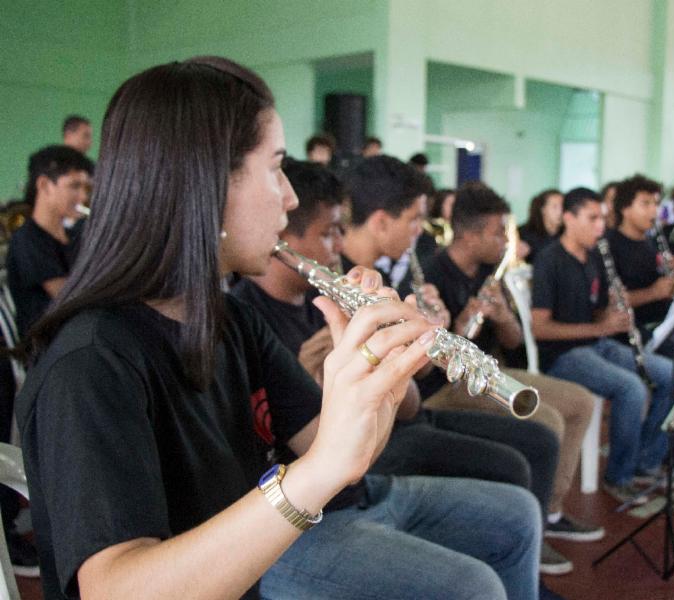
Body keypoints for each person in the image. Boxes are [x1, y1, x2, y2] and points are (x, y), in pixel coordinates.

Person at [17, 57, 540, 600]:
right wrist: (316, 471)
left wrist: (373, 376)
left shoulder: (231, 321)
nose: (289, 197)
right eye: (275, 167)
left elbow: (341, 454)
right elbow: (115, 589)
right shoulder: (91, 361)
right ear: (205, 183)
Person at [338, 155, 566, 576]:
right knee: (510, 463)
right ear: (382, 221)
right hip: (387, 429)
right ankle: (500, 557)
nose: (420, 233)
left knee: (537, 440)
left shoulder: (398, 273)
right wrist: (435, 338)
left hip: (408, 409)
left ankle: (519, 552)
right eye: (413, 220)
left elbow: (413, 375)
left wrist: (431, 333)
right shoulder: (347, 282)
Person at [421, 182, 605, 569]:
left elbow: (517, 343)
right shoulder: (431, 275)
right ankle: (531, 535)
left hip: (490, 372)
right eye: (497, 232)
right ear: (470, 236)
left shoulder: (491, 271)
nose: (506, 239)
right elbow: (427, 363)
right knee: (547, 419)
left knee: (580, 402)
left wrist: (503, 316)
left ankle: (551, 513)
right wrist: (457, 325)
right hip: (447, 385)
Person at [531, 187, 674, 504]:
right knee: (631, 388)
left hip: (597, 344)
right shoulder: (549, 259)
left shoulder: (594, 257)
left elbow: (597, 309)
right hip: (562, 356)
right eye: (592, 218)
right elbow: (539, 328)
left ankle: (646, 460)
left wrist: (613, 314)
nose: (601, 226)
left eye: (602, 218)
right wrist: (601, 326)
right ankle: (619, 477)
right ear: (569, 219)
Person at [6, 145, 92, 334]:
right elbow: (69, 298)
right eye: (74, 186)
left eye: (85, 187)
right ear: (44, 185)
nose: (83, 196)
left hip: (78, 336)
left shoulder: (74, 236)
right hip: (48, 348)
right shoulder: (27, 239)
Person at [606, 174, 674, 334]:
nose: (653, 210)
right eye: (645, 204)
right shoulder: (609, 246)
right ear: (625, 209)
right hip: (635, 329)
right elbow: (608, 301)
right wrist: (653, 293)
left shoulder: (655, 241)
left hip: (666, 323)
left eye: (656, 204)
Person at [519, 189, 563, 262]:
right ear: (543, 209)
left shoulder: (568, 235)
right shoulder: (524, 233)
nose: (560, 212)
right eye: (555, 207)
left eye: (563, 207)